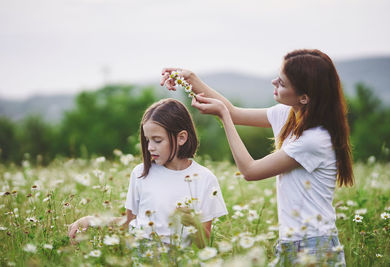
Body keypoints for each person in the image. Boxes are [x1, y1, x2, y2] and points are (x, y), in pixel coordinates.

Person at [161, 49, 353, 265]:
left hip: (315, 248)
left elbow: (250, 171)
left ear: (304, 97)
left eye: (281, 82)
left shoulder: (314, 140)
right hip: (294, 243)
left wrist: (224, 118)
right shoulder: (290, 115)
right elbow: (235, 112)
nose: (273, 82)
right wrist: (192, 80)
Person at [68, 98, 228, 249]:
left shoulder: (205, 179)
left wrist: (193, 223)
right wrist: (91, 221)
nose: (150, 147)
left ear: (181, 138)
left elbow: (204, 244)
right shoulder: (140, 173)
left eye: (157, 140)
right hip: (142, 257)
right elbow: (128, 223)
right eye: (147, 140)